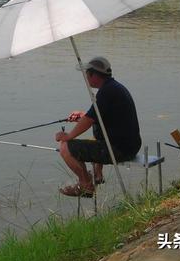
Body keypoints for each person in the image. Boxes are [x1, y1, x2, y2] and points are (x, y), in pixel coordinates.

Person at [55, 57, 141, 197]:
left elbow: (89, 119)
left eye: (87, 74)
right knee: (94, 136)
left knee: (65, 147)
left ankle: (86, 185)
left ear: (94, 75)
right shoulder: (113, 87)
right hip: (130, 146)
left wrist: (68, 136)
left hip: (119, 150)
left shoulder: (106, 92)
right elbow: (95, 116)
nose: (86, 78)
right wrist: (83, 116)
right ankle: (96, 175)